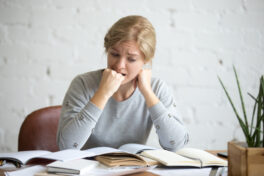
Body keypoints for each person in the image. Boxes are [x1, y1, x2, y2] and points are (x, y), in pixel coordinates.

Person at [57, 15, 189, 152]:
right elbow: (66, 146)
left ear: (146, 60)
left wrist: (148, 93)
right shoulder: (83, 84)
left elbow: (176, 144)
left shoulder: (157, 88)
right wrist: (102, 93)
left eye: (131, 59)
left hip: (133, 169)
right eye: (114, 54)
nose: (119, 66)